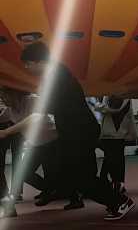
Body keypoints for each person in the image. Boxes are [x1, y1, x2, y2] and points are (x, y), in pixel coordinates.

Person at [17, 42, 131, 219]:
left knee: (80, 175)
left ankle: (118, 200)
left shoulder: (57, 76)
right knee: (77, 173)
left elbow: (44, 111)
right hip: (76, 129)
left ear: (40, 62)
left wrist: (8, 132)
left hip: (79, 130)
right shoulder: (54, 74)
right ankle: (114, 199)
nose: (25, 67)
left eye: (28, 63)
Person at [97, 95, 136, 193]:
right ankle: (111, 181)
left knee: (115, 159)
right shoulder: (109, 94)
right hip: (110, 132)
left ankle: (118, 183)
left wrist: (97, 105)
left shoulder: (120, 94)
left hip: (116, 132)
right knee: (111, 158)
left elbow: (113, 108)